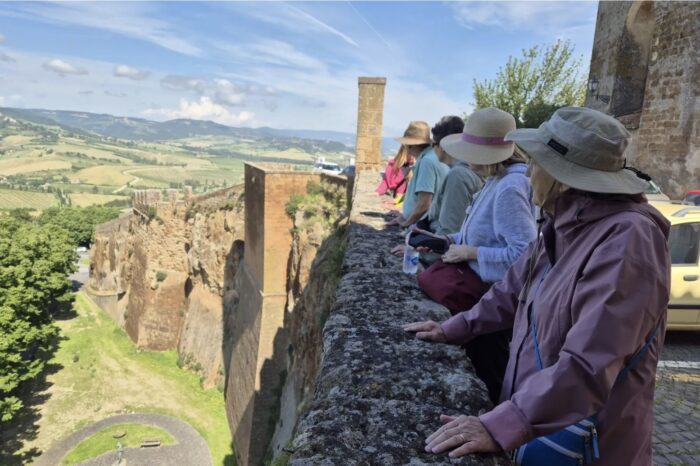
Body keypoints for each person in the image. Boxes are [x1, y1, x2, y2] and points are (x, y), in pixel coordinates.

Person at [404, 107, 671, 465]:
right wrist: (454, 328)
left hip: (590, 446)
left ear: (563, 177)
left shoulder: (628, 240)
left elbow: (590, 361)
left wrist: (501, 425)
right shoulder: (564, 223)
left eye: (537, 164)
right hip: (545, 429)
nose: (528, 172)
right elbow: (512, 291)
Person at [414, 107, 537, 403]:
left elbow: (526, 255)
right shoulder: (498, 180)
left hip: (492, 303)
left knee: (491, 378)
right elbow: (479, 233)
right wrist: (443, 242)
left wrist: (470, 252)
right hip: (486, 300)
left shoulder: (510, 187)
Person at [422, 115, 484, 235]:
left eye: (433, 144)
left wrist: (419, 248)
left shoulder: (458, 175)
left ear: (443, 146)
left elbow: (449, 230)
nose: (432, 149)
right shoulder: (466, 172)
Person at [386, 121, 449, 227]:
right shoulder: (431, 157)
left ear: (410, 145)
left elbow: (424, 204)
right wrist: (403, 217)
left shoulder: (427, 161)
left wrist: (406, 223)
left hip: (425, 225)